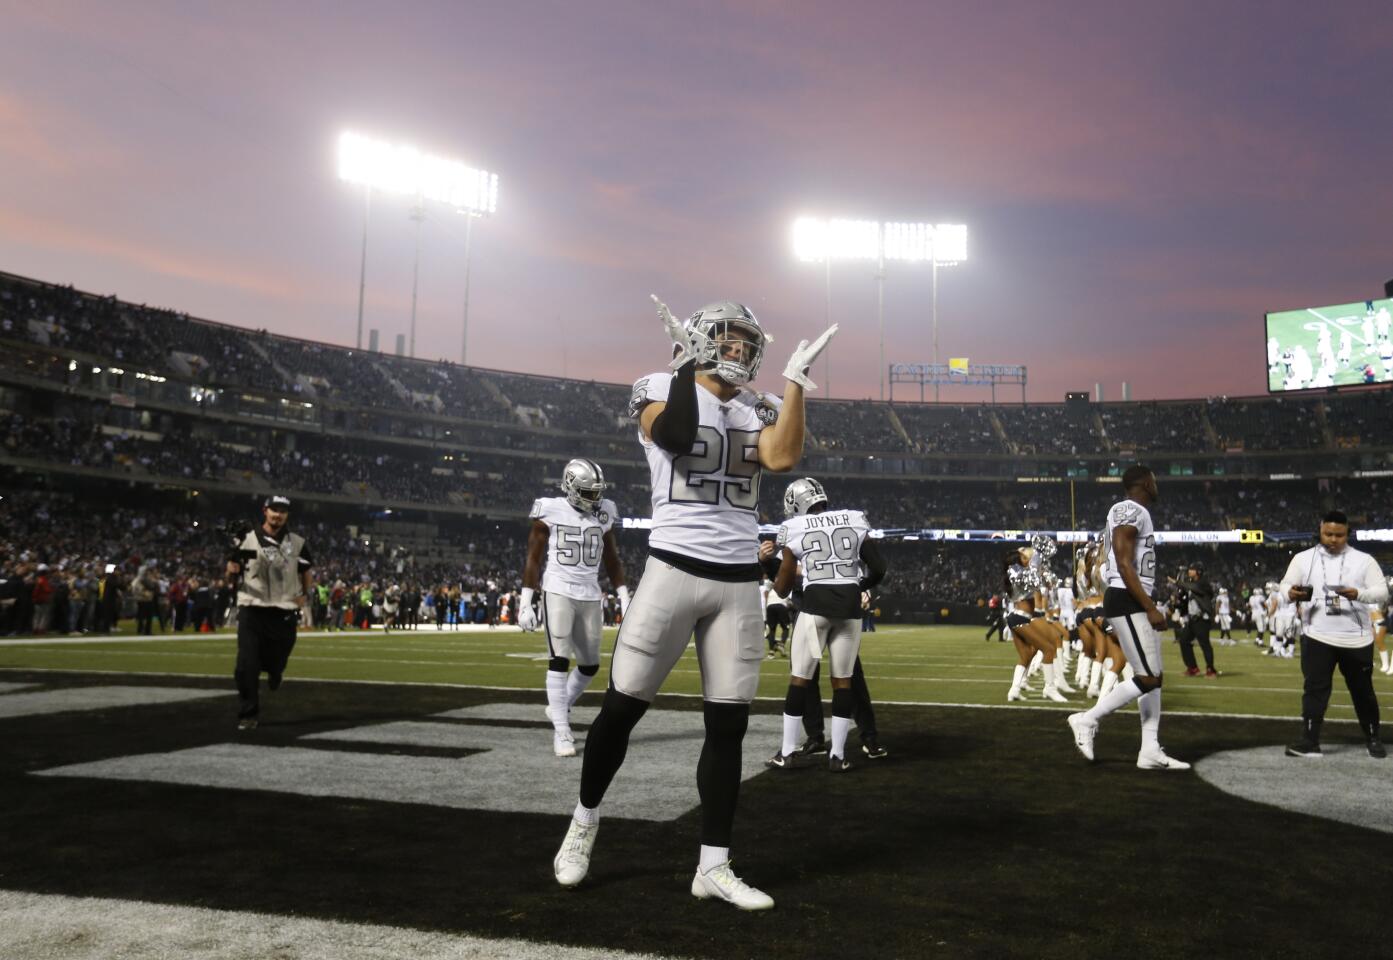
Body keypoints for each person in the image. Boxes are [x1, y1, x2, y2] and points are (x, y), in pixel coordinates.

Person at [551, 295, 834, 910]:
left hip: (736, 580)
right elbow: (677, 437)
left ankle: (713, 863)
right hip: (672, 569)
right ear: (700, 340)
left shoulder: (757, 407)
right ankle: (583, 822)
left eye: (746, 344)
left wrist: (793, 384)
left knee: (728, 726)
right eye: (728, 341)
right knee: (622, 711)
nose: (740, 352)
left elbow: (783, 458)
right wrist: (684, 367)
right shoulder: (658, 385)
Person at [1066, 465, 1190, 770]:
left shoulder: (1136, 511)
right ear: (1147, 482)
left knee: (1154, 678)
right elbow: (1123, 562)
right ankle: (1087, 718)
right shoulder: (1128, 508)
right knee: (1147, 677)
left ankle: (1149, 749)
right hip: (1127, 598)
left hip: (1131, 597)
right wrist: (1148, 605)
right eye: (1155, 479)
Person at [762, 477, 885, 771]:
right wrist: (859, 586)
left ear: (795, 503)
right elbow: (879, 567)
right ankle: (838, 756)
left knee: (800, 679)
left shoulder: (793, 528)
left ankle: (787, 752)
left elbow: (782, 589)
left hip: (815, 608)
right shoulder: (853, 519)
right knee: (844, 682)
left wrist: (763, 563)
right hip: (849, 610)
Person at [518, 458, 629, 757]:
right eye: (588, 492)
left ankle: (560, 705)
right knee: (559, 659)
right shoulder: (549, 510)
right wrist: (525, 601)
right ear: (570, 487)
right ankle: (562, 732)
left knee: (591, 665)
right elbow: (533, 558)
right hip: (558, 590)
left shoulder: (605, 511)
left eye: (597, 492)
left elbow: (612, 559)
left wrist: (623, 594)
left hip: (590, 593)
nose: (596, 498)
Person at [1280, 510, 1388, 758]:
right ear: (1320, 531)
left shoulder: (1364, 560)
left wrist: (1358, 594)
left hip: (1356, 637)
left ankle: (1373, 738)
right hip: (1316, 635)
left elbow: (1382, 592)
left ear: (1347, 534)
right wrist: (1290, 593)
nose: (1332, 539)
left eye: (1338, 535)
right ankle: (1309, 740)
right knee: (1315, 690)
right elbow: (1285, 585)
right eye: (1328, 533)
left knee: (1363, 692)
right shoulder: (1303, 559)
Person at [225, 495, 313, 731]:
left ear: (287, 515)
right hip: (252, 607)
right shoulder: (246, 539)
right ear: (265, 511)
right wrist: (230, 569)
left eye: (282, 511)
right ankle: (248, 713)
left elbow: (305, 571)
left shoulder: (297, 542)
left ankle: (275, 671)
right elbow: (231, 572)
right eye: (274, 510)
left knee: (276, 661)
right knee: (246, 665)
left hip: (283, 609)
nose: (278, 515)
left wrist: (305, 595)